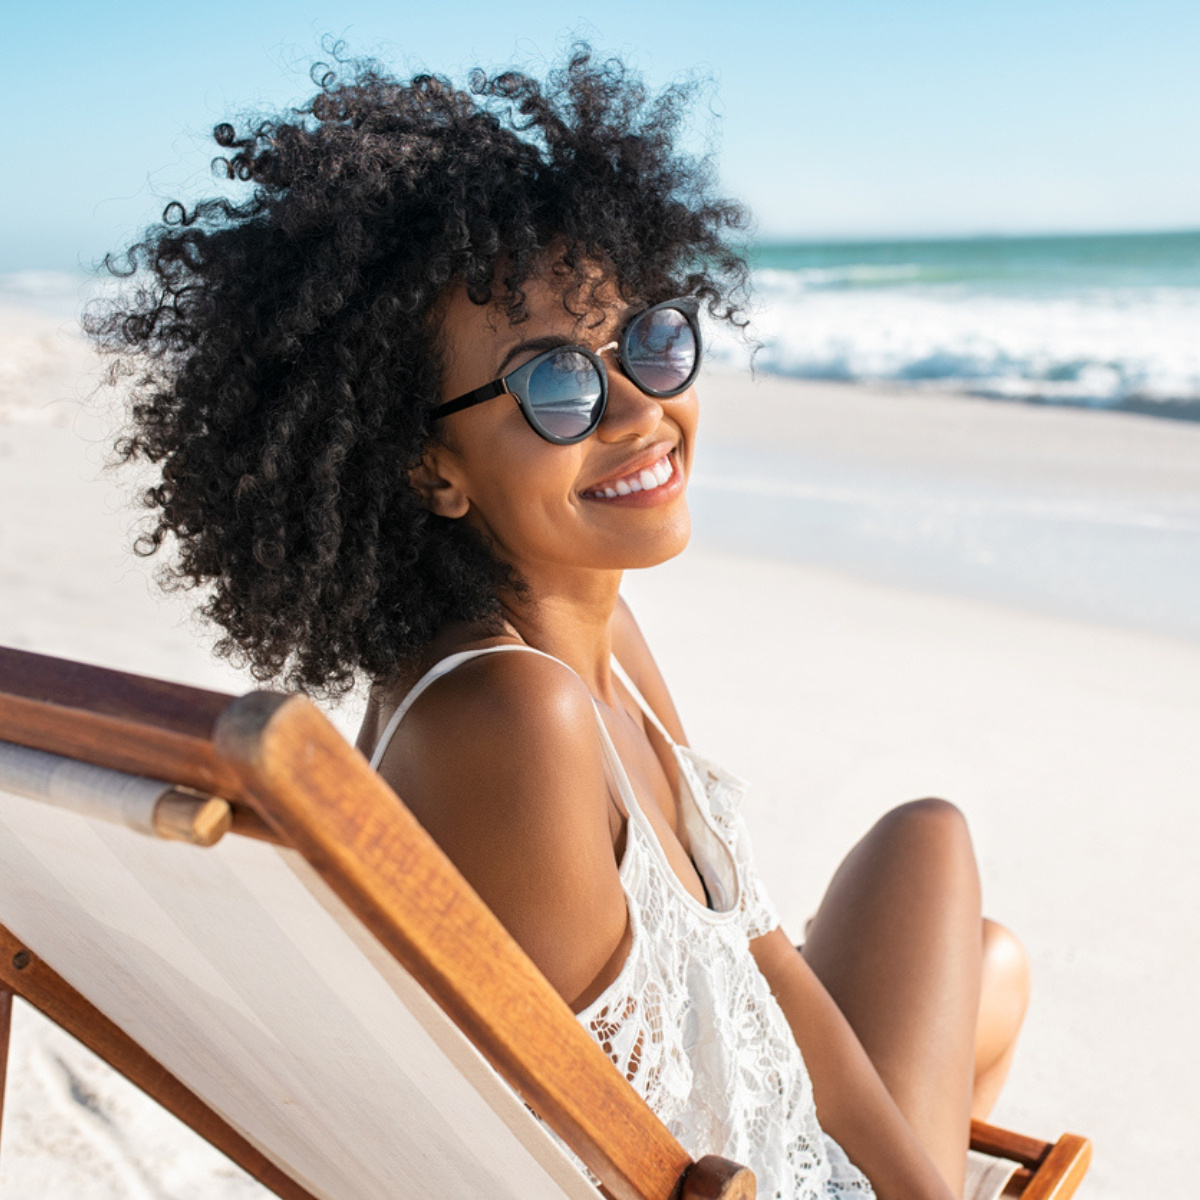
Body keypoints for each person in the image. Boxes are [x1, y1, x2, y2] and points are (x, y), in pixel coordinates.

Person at [90, 47, 1030, 1200]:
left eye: (644, 340)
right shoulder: (512, 711)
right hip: (728, 1181)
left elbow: (758, 953)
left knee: (977, 941)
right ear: (432, 467)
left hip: (747, 1111)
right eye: (555, 383)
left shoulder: (589, 637)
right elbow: (593, 1156)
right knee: (957, 906)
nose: (639, 409)